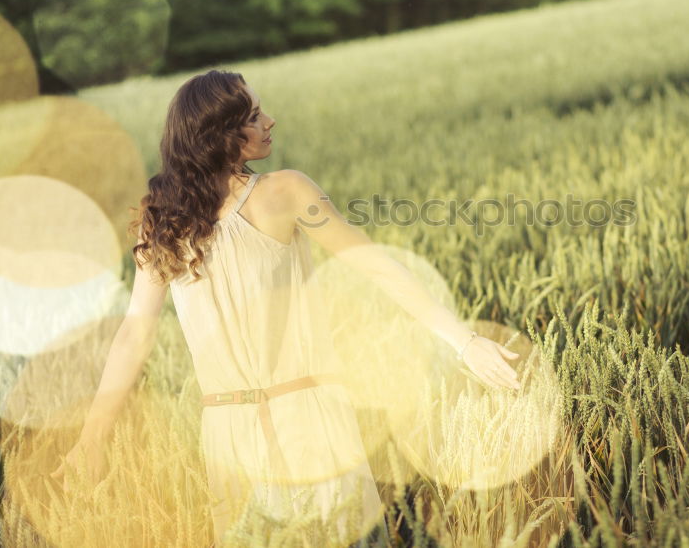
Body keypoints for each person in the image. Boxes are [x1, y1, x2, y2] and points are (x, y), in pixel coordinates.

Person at [50, 69, 522, 546]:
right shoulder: (164, 221)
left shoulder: (285, 192)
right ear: (218, 136)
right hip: (228, 441)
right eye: (255, 116)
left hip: (309, 422)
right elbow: (134, 334)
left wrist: (465, 343)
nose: (271, 121)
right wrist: (92, 439)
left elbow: (373, 266)